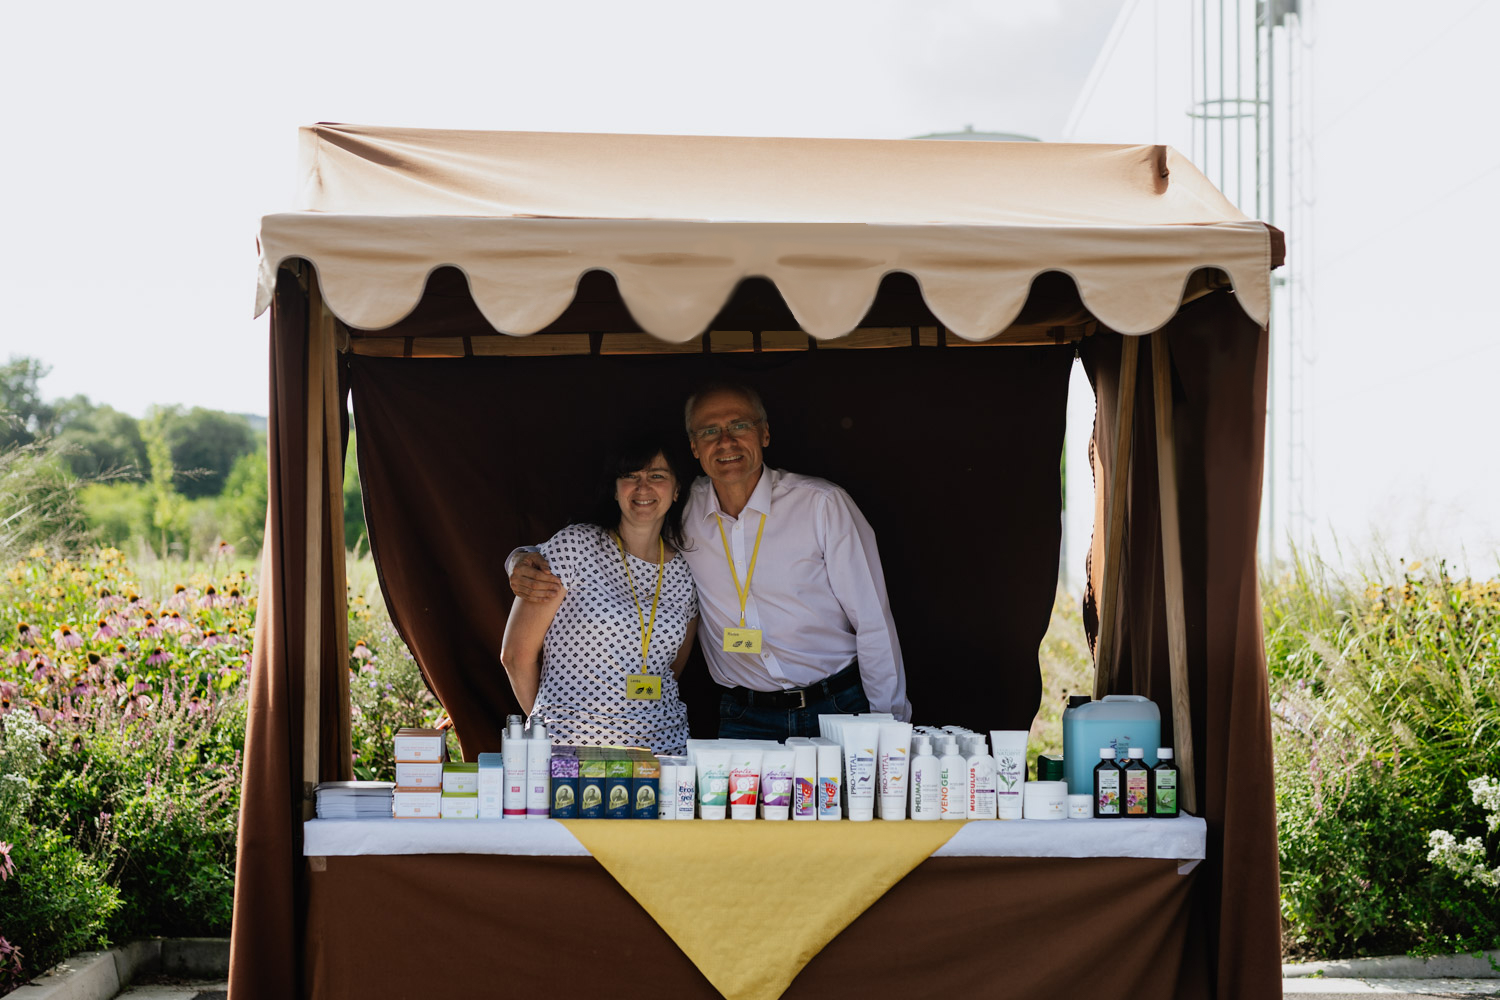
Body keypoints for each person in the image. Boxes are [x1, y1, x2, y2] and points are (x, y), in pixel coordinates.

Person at [510, 384, 909, 740]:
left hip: (835, 708)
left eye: (739, 425)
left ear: (765, 433)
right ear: (694, 447)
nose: (725, 441)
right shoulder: (682, 511)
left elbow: (873, 621)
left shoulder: (822, 505)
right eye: (709, 431)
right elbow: (586, 546)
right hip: (744, 718)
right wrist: (517, 561)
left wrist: (890, 726)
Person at [500, 435, 699, 755]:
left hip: (663, 749)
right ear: (615, 489)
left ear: (677, 490)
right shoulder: (575, 545)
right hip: (572, 748)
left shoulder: (683, 574)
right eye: (630, 476)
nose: (643, 487)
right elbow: (515, 655)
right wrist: (555, 723)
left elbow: (671, 669)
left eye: (657, 476)